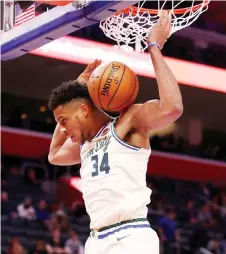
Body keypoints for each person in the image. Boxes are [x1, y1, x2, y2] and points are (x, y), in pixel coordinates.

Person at [48, 11, 183, 254]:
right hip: (96, 240)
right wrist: (75, 89)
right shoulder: (86, 144)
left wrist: (154, 47)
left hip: (130, 236)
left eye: (63, 121)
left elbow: (172, 107)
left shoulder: (128, 122)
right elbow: (54, 154)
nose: (63, 130)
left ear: (83, 110)